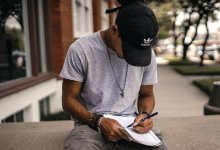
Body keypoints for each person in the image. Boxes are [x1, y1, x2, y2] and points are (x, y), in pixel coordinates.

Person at [60, 0, 168, 149]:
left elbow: (146, 95)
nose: (135, 56)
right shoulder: (81, 50)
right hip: (90, 124)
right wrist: (98, 121)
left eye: (140, 50)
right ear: (114, 30)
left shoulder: (148, 54)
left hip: (131, 127)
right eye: (130, 48)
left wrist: (145, 115)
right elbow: (68, 100)